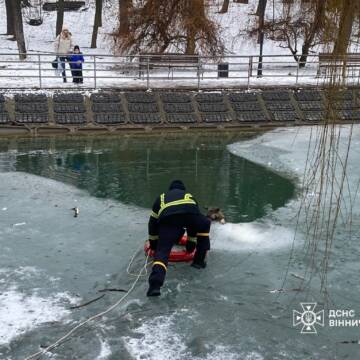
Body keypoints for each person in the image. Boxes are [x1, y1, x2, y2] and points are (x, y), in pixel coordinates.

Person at [147, 180, 211, 297]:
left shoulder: (161, 197)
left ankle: (155, 286)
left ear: (170, 189)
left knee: (162, 252)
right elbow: (193, 224)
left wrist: (154, 244)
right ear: (183, 189)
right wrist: (191, 246)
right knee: (204, 224)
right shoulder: (189, 196)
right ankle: (198, 262)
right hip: (189, 216)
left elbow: (152, 223)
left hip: (169, 221)